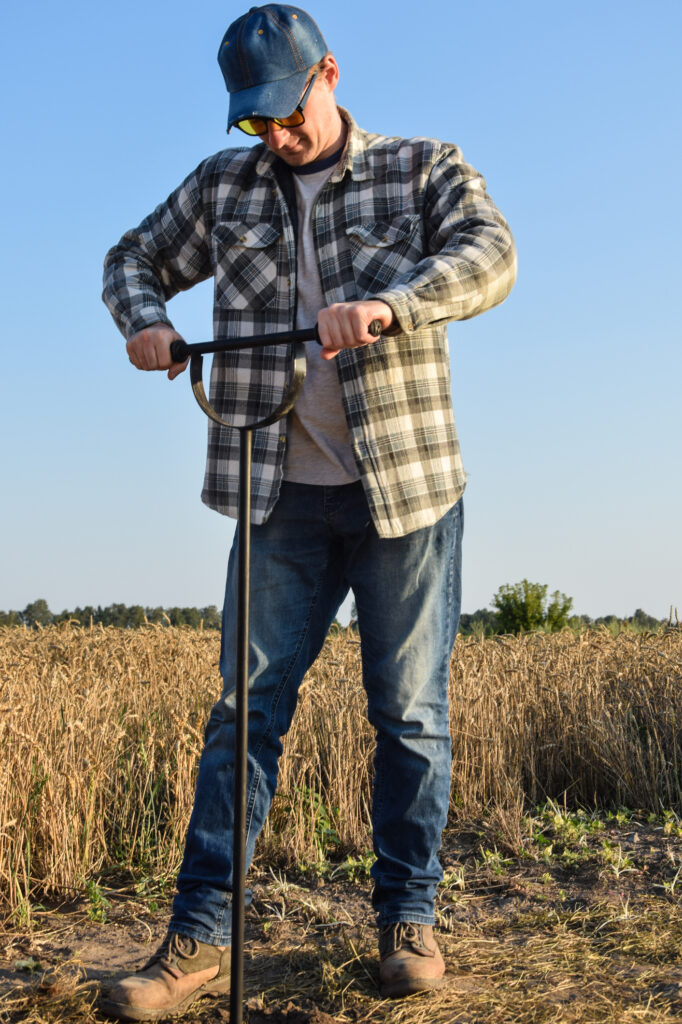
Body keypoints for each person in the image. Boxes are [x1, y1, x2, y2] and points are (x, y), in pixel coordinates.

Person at [101, 4, 517, 1018]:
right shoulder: (223, 185)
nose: (276, 137)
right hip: (276, 488)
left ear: (328, 74)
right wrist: (148, 322)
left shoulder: (419, 166)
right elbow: (129, 258)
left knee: (407, 714)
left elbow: (490, 253)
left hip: (404, 490)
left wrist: (392, 305)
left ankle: (406, 918)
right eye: (256, 122)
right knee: (244, 710)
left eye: (288, 114)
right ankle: (197, 936)